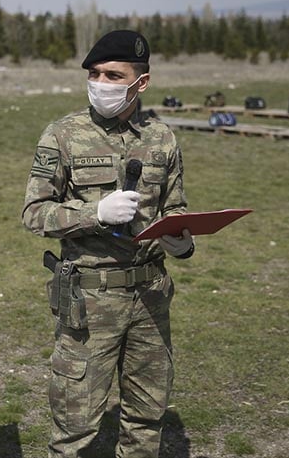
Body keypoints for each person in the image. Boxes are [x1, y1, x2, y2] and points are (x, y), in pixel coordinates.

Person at [22, 30, 194, 458]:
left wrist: (179, 237)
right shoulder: (62, 135)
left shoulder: (162, 138)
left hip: (150, 297)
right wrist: (93, 214)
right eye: (95, 74)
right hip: (90, 301)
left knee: (146, 417)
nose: (101, 83)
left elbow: (175, 206)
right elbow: (34, 214)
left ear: (142, 83)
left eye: (114, 75)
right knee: (74, 427)